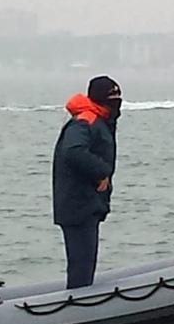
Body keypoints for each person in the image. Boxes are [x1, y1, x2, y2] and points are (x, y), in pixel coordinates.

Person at [51, 75, 122, 289]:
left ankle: (79, 298)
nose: (117, 102)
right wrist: (101, 172)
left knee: (84, 263)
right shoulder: (86, 121)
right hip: (78, 205)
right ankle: (75, 309)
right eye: (113, 97)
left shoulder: (98, 121)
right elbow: (73, 151)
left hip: (86, 203)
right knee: (81, 265)